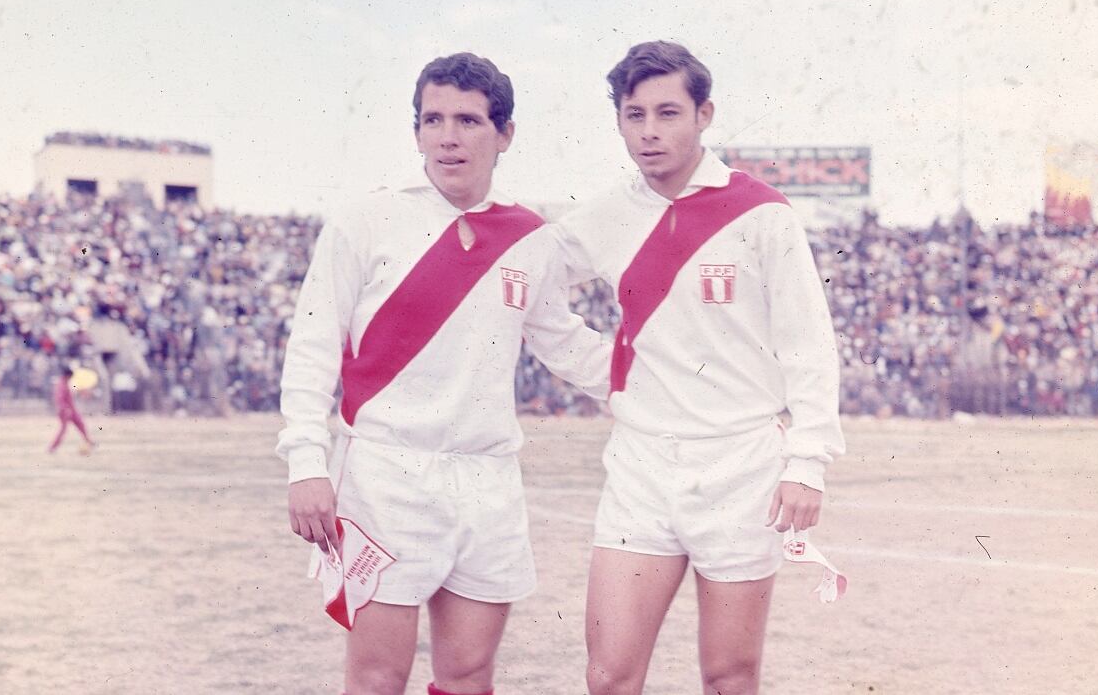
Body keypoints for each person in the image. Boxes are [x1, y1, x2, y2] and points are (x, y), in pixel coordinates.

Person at [277, 52, 611, 695]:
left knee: (468, 676)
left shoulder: (529, 237)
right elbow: (313, 346)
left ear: (504, 133)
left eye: (467, 120)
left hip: (487, 480)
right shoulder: (366, 220)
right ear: (416, 131)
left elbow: (566, 343)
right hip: (384, 475)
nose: (448, 137)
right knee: (378, 677)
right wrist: (306, 466)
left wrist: (677, 385)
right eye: (432, 120)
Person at [558, 40, 846, 695]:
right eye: (635, 115)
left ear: (704, 113)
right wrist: (601, 369)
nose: (650, 131)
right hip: (641, 466)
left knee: (730, 675)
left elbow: (808, 344)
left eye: (668, 112)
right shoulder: (606, 214)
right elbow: (529, 288)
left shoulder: (762, 213)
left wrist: (807, 462)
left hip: (743, 466)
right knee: (608, 675)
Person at [48, 366, 94, 454]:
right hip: (65, 411)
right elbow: (59, 399)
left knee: (81, 425)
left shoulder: (65, 383)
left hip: (71, 410)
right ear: (67, 375)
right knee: (63, 430)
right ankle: (52, 448)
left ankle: (89, 441)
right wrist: (65, 409)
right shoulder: (61, 385)